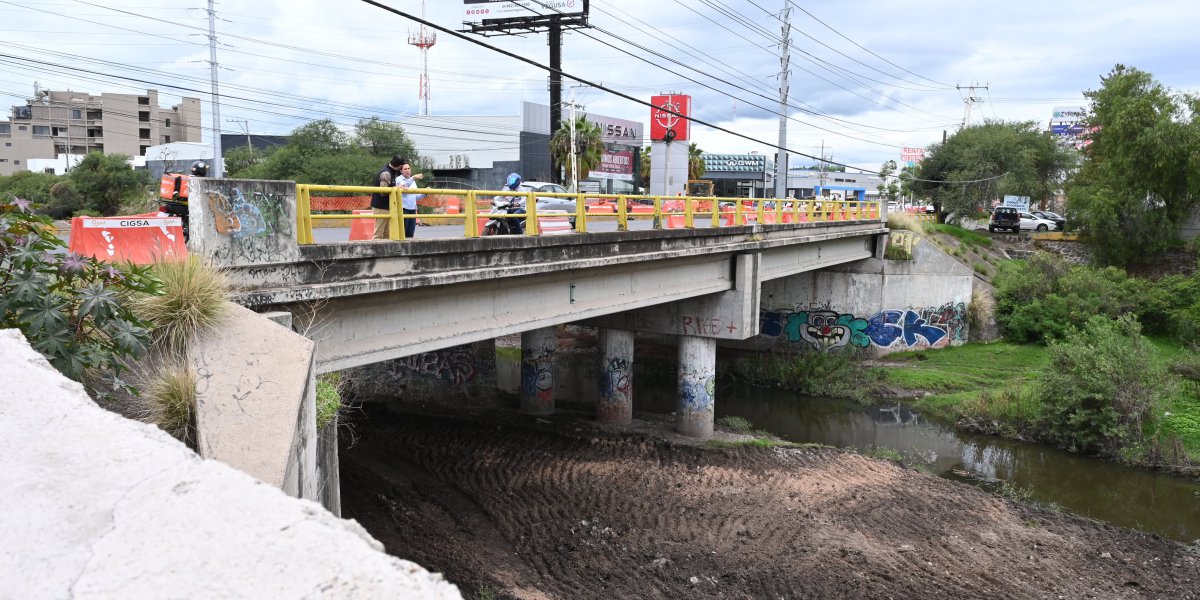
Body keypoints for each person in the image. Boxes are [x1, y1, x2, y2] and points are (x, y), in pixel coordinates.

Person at [370, 155, 405, 240]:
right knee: (379, 233)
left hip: (387, 206)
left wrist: (396, 187)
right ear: (400, 166)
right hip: (381, 207)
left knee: (388, 233)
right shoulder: (386, 173)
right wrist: (396, 188)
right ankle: (376, 248)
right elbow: (383, 191)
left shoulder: (391, 172)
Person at [394, 161, 425, 239]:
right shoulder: (399, 179)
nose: (407, 170)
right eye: (405, 169)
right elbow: (404, 187)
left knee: (410, 234)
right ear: (401, 171)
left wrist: (425, 193)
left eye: (409, 168)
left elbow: (416, 197)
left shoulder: (413, 181)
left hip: (413, 209)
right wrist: (413, 178)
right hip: (403, 209)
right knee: (403, 233)